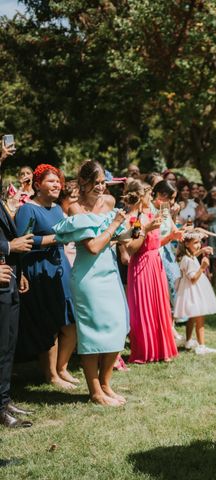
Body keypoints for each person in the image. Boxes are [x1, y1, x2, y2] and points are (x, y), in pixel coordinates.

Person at [52, 160, 129, 407]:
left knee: (117, 327)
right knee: (93, 334)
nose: (100, 187)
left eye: (103, 182)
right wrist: (116, 224)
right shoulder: (75, 209)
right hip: (88, 277)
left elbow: (115, 239)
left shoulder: (109, 202)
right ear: (83, 183)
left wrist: (135, 230)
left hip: (110, 272)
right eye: (95, 183)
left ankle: (106, 384)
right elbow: (93, 246)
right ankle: (94, 391)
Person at [14, 164, 78, 389]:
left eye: (58, 181)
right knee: (49, 323)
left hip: (61, 267)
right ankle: (51, 375)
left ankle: (62, 367)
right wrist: (54, 239)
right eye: (51, 181)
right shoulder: (27, 210)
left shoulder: (58, 209)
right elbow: (23, 242)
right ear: (38, 184)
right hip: (39, 269)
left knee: (69, 321)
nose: (57, 185)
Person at [123, 180, 178, 364]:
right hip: (142, 266)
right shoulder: (135, 218)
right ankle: (146, 351)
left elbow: (155, 244)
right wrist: (145, 229)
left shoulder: (149, 214)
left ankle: (162, 350)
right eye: (148, 194)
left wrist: (171, 236)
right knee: (143, 308)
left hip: (156, 263)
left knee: (159, 307)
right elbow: (132, 248)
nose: (151, 197)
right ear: (140, 196)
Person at [0, 141, 34, 428]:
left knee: (9, 343)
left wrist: (17, 266)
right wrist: (8, 248)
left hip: (9, 276)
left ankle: (4, 399)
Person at [174, 233, 216, 355]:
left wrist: (202, 251)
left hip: (191, 291)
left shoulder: (187, 256)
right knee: (200, 318)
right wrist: (202, 267)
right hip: (194, 291)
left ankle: (189, 341)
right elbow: (193, 278)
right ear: (186, 244)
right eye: (195, 242)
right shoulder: (187, 260)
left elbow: (193, 256)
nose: (198, 245)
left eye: (199, 242)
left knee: (192, 317)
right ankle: (202, 346)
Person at [151, 180, 185, 345]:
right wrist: (172, 237)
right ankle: (166, 328)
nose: (172, 202)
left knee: (173, 288)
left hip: (168, 253)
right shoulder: (150, 211)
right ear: (161, 195)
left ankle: (170, 325)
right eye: (171, 198)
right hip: (157, 253)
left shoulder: (164, 209)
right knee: (163, 292)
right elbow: (154, 240)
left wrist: (180, 232)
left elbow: (172, 228)